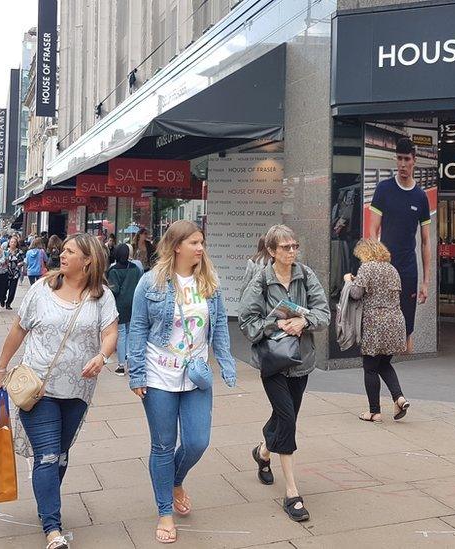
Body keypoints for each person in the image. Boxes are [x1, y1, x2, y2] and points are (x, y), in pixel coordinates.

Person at [0, 234, 118, 549]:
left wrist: (101, 356)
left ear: (87, 260)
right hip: (39, 388)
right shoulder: (42, 290)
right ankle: (52, 528)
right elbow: (18, 329)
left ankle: (45, 499)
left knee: (60, 456)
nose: (62, 255)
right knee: (47, 455)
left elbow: (110, 332)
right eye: (63, 250)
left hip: (78, 389)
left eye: (70, 251)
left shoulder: (102, 296)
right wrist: (1, 367)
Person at [127, 220, 237, 544]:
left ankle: (175, 480)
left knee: (196, 442)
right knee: (162, 445)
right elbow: (137, 328)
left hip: (196, 374)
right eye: (194, 243)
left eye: (202, 242)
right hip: (159, 373)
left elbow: (218, 329)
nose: (201, 248)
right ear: (177, 246)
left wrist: (226, 363)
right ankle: (164, 511)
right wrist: (136, 373)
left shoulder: (210, 284)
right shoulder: (150, 283)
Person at [238, 224, 330, 523]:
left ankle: (263, 452)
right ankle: (292, 493)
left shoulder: (307, 275)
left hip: (300, 360)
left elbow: (323, 313)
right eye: (286, 247)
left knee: (284, 416)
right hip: (273, 362)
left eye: (294, 246)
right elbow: (247, 321)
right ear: (272, 251)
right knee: (288, 419)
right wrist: (276, 324)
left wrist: (303, 321)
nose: (292, 251)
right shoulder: (261, 281)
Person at [367, 136, 432, 354]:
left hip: (408, 270)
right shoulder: (383, 189)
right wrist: (376, 264)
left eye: (406, 159)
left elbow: (425, 242)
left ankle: (406, 372)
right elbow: (372, 231)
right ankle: (385, 369)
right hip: (385, 270)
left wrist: (425, 282)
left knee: (407, 328)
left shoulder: (421, 197)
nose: (402, 164)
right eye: (399, 159)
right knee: (382, 323)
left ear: (414, 160)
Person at [344, 238, 410, 423]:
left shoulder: (367, 268)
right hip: (395, 321)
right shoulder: (392, 269)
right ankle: (399, 398)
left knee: (370, 367)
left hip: (375, 323)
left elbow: (357, 294)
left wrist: (349, 282)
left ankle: (374, 412)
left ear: (365, 253)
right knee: (384, 363)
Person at [106, 243, 142, 376]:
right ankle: (131, 361)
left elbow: (113, 290)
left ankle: (121, 365)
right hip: (134, 305)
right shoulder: (135, 268)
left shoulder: (113, 270)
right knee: (131, 334)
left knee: (121, 334)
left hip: (119, 306)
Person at [5, 236, 25, 310]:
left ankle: (8, 303)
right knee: (4, 287)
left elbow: (23, 261)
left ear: (17, 243)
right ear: (9, 243)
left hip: (15, 272)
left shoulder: (19, 252)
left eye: (14, 242)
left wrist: (19, 264)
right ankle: (3, 298)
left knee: (12, 289)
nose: (13, 243)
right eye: (11, 242)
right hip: (6, 272)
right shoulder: (5, 251)